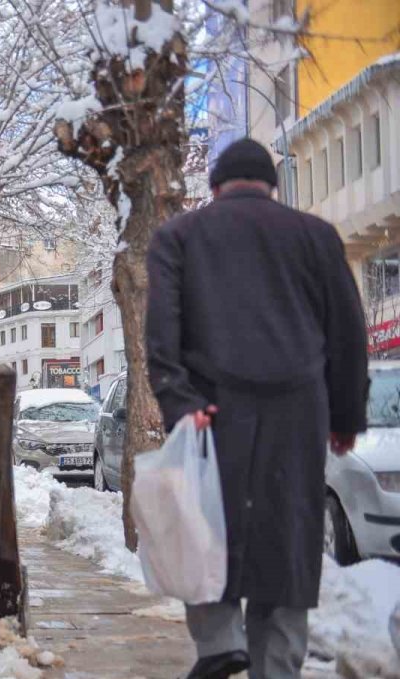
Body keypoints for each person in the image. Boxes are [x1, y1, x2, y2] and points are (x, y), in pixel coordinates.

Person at [146, 138, 368, 679]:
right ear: (271, 186)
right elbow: (347, 335)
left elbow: (161, 335)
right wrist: (344, 419)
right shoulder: (317, 237)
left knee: (205, 532)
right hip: (297, 415)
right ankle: (277, 669)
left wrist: (180, 402)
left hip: (213, 415)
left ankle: (220, 643)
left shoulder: (178, 237)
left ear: (214, 187)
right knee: (287, 544)